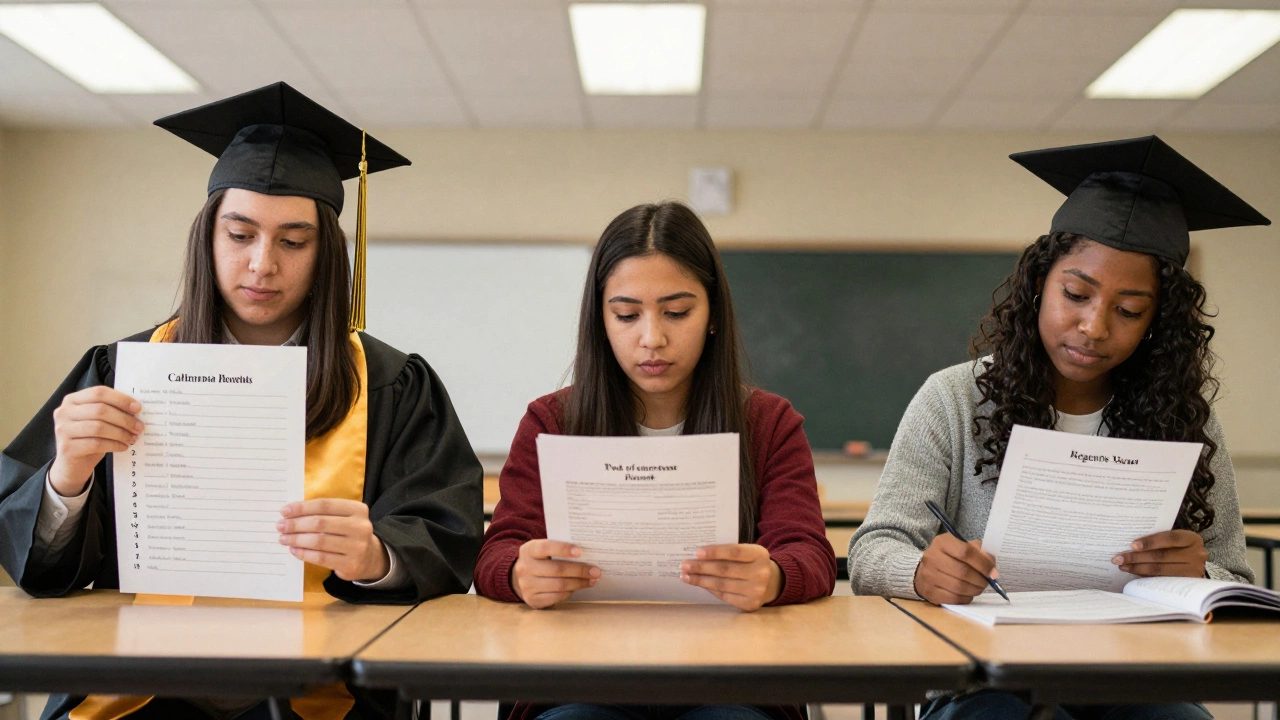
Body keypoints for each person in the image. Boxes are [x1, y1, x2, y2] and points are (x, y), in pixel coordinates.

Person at [0, 82, 485, 720]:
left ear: (327, 254)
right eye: (240, 234)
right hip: (146, 685)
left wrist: (377, 558)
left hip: (325, 687)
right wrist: (68, 477)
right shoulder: (122, 371)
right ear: (208, 238)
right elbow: (33, 563)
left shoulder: (392, 383)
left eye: (292, 241)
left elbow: (445, 535)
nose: (261, 264)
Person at [849, 136, 1269, 720]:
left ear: (1158, 322)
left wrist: (1200, 572)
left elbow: (1236, 576)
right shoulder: (952, 398)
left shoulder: (1185, 418)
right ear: (1039, 284)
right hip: (984, 676)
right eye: (1075, 293)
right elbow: (872, 551)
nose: (1094, 326)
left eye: (1128, 310)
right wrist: (921, 571)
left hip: (1132, 672)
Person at [475, 201, 835, 720]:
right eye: (626, 314)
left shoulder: (768, 422)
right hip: (582, 676)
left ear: (713, 314)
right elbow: (497, 552)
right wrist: (517, 572)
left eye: (677, 312)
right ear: (600, 319)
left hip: (729, 676)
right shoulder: (552, 420)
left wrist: (775, 575)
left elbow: (810, 554)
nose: (652, 338)